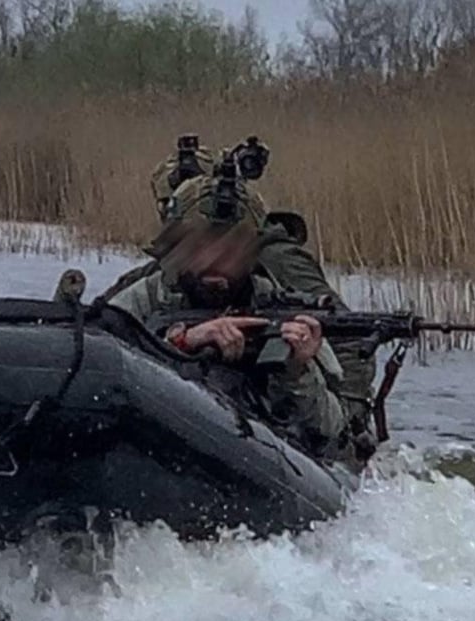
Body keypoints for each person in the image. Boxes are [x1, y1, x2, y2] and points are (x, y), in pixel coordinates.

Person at [110, 177, 350, 459]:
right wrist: (182, 344)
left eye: (231, 250)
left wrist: (297, 371)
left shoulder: (281, 310)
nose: (215, 260)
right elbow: (105, 366)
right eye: (201, 246)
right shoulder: (146, 298)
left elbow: (333, 432)